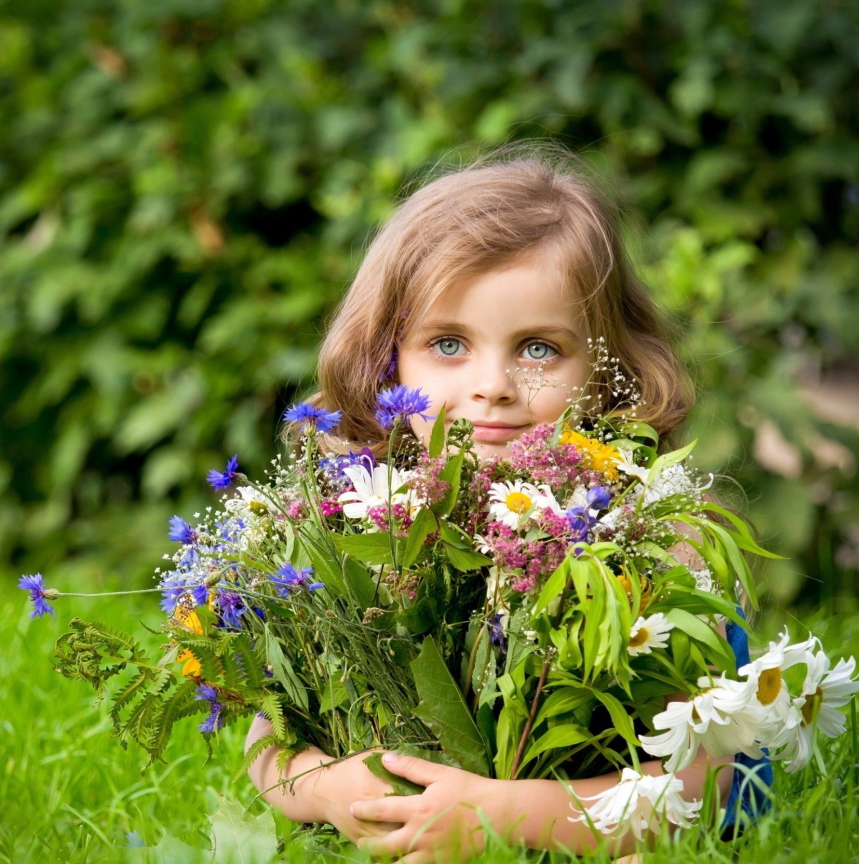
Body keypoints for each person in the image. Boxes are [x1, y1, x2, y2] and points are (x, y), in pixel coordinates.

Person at [244, 145, 772, 861]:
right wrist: (329, 790)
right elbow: (269, 739)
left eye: (539, 350)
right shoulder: (350, 526)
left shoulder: (651, 545)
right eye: (450, 342)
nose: (493, 384)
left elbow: (710, 783)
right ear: (387, 357)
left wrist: (500, 816)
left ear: (607, 366)